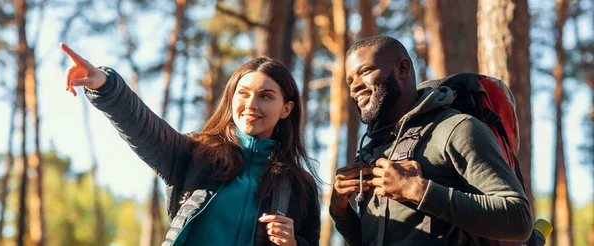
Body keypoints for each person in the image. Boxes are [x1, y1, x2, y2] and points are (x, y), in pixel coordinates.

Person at [60, 43, 320, 246]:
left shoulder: (299, 185)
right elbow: (145, 128)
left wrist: (294, 243)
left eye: (265, 96)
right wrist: (105, 86)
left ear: (286, 109)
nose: (251, 104)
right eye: (243, 93)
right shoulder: (196, 155)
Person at [329, 35, 533, 245]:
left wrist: (419, 191)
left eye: (365, 71)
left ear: (403, 68)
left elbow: (519, 220)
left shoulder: (457, 129)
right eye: (350, 80)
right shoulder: (372, 150)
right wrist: (340, 212)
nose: (355, 86)